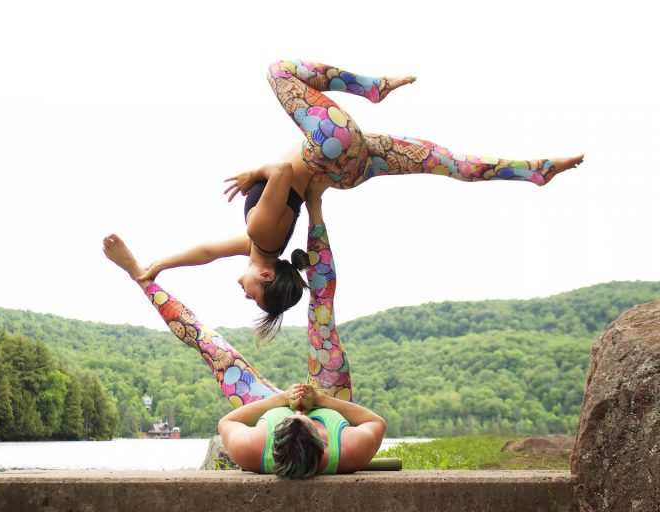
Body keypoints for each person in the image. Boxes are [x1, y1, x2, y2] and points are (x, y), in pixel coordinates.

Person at [137, 59, 584, 339]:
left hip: (350, 165)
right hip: (331, 145)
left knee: (442, 161)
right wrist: (254, 172)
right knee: (278, 72)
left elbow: (205, 253)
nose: (247, 295)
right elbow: (276, 173)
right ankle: (370, 86)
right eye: (257, 298)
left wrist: (159, 265)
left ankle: (535, 171)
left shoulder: (257, 244)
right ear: (268, 276)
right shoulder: (261, 231)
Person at [102, 178, 384, 478]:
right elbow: (376, 423)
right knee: (323, 315)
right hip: (330, 398)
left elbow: (227, 424)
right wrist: (321, 402)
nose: (299, 411)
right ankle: (315, 204)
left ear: (273, 436)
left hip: (267, 405)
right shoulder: (349, 451)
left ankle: (140, 277)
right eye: (307, 418)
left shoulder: (254, 451)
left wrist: (279, 402)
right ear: (322, 440)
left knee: (212, 347)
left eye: (292, 417)